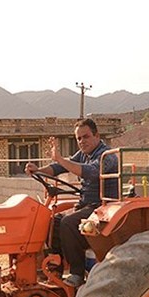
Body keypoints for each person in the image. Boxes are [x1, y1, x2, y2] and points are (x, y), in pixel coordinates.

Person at [25, 118, 118, 287]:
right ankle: (55, 267)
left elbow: (90, 172)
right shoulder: (84, 154)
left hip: (103, 206)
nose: (82, 141)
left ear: (96, 136)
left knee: (68, 223)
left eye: (86, 136)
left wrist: (61, 159)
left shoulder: (107, 155)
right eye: (79, 139)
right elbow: (58, 168)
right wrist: (38, 170)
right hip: (86, 204)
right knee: (52, 219)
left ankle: (76, 273)